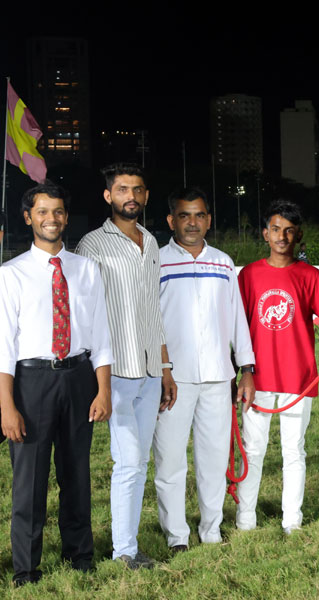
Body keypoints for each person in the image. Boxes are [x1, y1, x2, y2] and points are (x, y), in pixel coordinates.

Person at [0, 182, 113, 586]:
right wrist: (7, 406)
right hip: (31, 381)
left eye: (58, 211)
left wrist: (103, 389)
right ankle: (26, 569)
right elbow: (3, 345)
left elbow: (100, 333)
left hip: (79, 378)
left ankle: (80, 555)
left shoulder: (86, 269)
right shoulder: (11, 274)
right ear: (28, 217)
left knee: (77, 474)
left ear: (66, 217)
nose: (52, 218)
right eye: (42, 211)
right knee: (29, 481)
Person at [76, 163, 176, 569]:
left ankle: (127, 547)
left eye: (137, 189)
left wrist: (166, 368)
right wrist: (97, 379)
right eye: (121, 189)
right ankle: (124, 552)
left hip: (150, 371)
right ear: (108, 196)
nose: (130, 196)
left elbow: (154, 311)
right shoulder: (92, 245)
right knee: (130, 461)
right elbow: (84, 314)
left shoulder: (150, 242)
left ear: (146, 196)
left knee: (138, 463)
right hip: (115, 373)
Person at [236, 200, 319, 533]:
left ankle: (292, 521)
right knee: (253, 450)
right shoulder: (248, 275)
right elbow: (238, 327)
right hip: (256, 378)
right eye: (275, 229)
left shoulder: (310, 276)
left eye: (289, 231)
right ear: (265, 234)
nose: (281, 236)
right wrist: (242, 372)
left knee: (293, 451)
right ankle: (246, 519)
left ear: (298, 236)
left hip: (298, 378)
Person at [153, 187, 256, 553]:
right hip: (172, 379)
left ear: (208, 220)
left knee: (212, 459)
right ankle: (177, 535)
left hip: (217, 375)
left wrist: (247, 367)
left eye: (199, 215)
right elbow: (150, 321)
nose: (192, 222)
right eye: (184, 215)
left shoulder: (223, 263)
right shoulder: (157, 262)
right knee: (170, 460)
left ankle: (211, 530)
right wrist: (162, 369)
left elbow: (237, 319)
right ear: (171, 221)